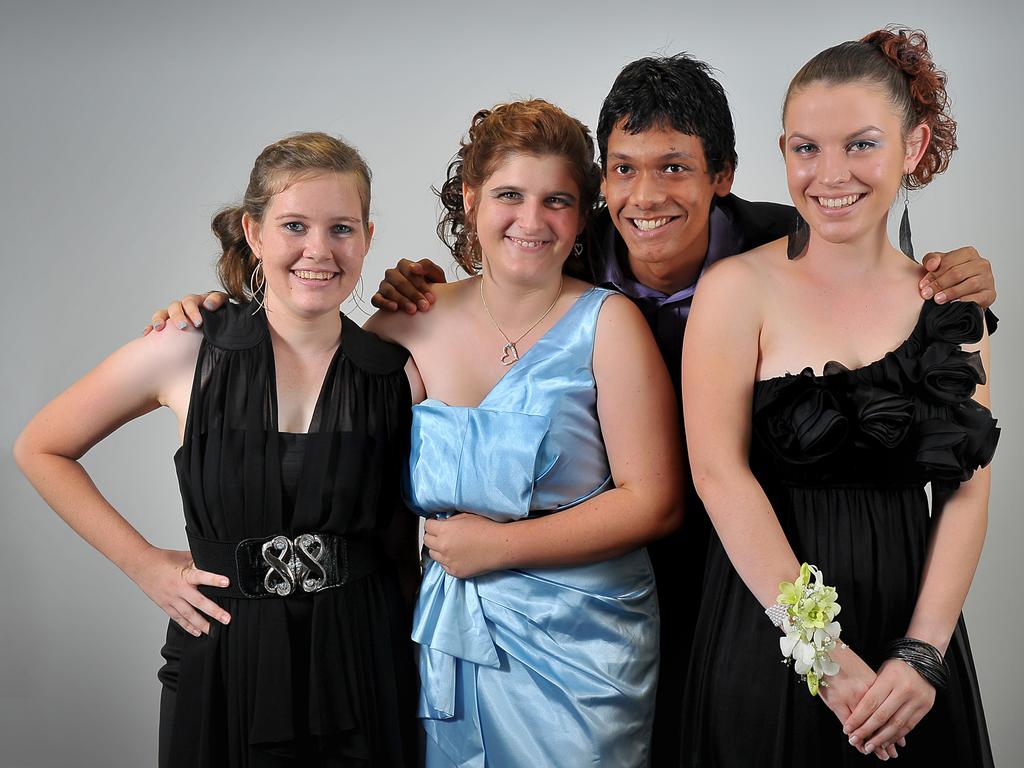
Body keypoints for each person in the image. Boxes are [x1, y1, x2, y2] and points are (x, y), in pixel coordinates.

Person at [149, 54, 999, 765]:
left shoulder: (786, 244)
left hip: (682, 587)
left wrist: (958, 281)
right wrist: (225, 318)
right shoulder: (515, 273)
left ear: (726, 177)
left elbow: (904, 394)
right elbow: (323, 395)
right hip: (677, 600)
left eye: (676, 168)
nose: (645, 196)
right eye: (623, 171)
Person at [15, 133, 419, 767]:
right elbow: (40, 447)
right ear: (252, 232)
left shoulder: (401, 368)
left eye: (341, 228)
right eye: (294, 225)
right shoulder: (187, 347)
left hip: (363, 660)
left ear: (367, 236)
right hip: (222, 654)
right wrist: (146, 564)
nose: (319, 249)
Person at [680, 28, 998, 767]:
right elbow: (718, 475)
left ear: (913, 147)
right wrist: (820, 652)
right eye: (805, 148)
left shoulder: (955, 305)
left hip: (910, 640)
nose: (831, 174)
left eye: (861, 145)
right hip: (765, 631)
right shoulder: (737, 290)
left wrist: (922, 654)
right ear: (782, 150)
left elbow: (967, 493)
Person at [365, 99, 683, 767]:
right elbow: (309, 417)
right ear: (471, 197)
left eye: (557, 201)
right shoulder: (406, 324)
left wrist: (500, 548)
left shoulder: (609, 324)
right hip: (452, 635)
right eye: (510, 194)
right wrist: (210, 317)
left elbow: (654, 501)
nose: (532, 221)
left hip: (586, 644)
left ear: (582, 216)